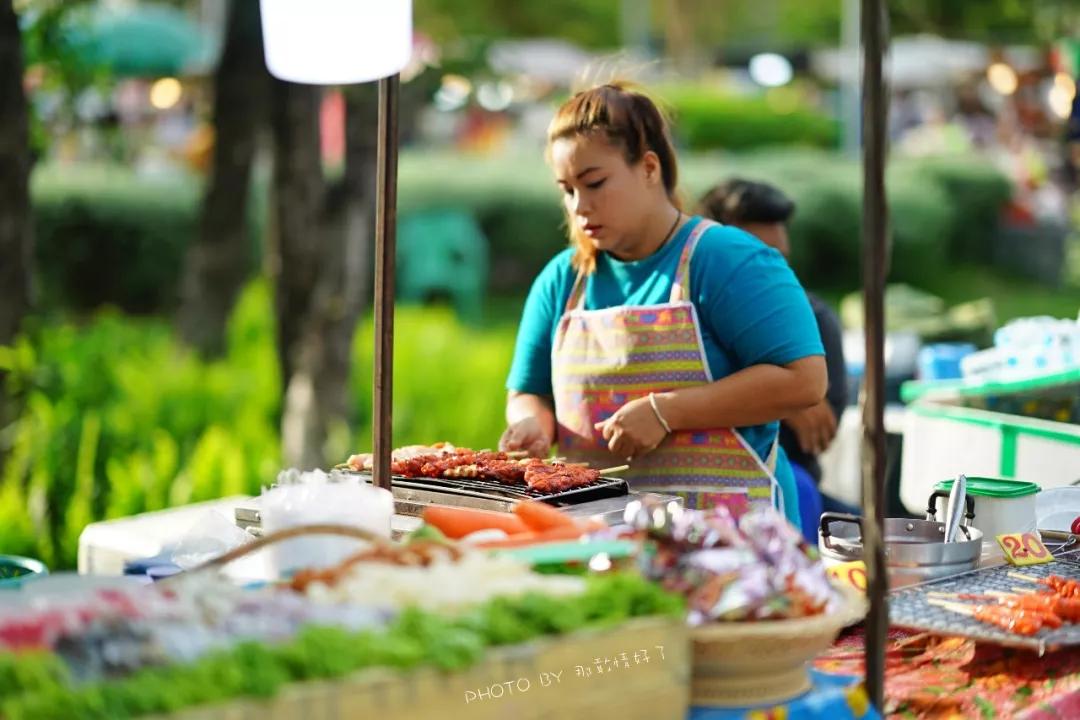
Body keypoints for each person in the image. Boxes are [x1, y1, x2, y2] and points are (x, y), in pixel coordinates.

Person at [499, 82, 827, 528]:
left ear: (649, 167)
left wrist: (665, 411)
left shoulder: (726, 259)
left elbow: (804, 380)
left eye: (595, 183)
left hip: (731, 537)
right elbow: (528, 392)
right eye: (567, 189)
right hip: (599, 533)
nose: (580, 207)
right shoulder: (564, 278)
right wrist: (531, 423)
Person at [697, 179, 855, 533]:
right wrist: (778, 394)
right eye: (756, 260)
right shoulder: (684, 313)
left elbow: (818, 432)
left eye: (780, 261)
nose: (772, 276)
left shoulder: (812, 319)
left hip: (783, 483)